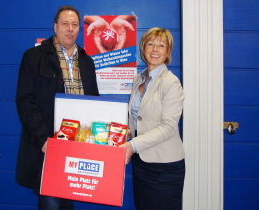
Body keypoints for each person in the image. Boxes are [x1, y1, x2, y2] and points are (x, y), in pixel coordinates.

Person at [15, 5, 99, 210]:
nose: (70, 29)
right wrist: (43, 140)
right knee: (51, 202)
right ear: (55, 27)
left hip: (77, 146)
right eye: (65, 24)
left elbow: (94, 102)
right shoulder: (34, 57)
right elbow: (25, 101)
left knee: (68, 198)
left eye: (74, 25)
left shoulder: (87, 62)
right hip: (48, 145)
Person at [119, 27, 185, 210]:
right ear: (143, 49)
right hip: (142, 162)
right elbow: (137, 120)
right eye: (150, 44)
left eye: (161, 45)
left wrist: (132, 145)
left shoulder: (171, 83)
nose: (155, 50)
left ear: (168, 52)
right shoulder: (138, 79)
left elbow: (169, 127)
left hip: (165, 167)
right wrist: (122, 134)